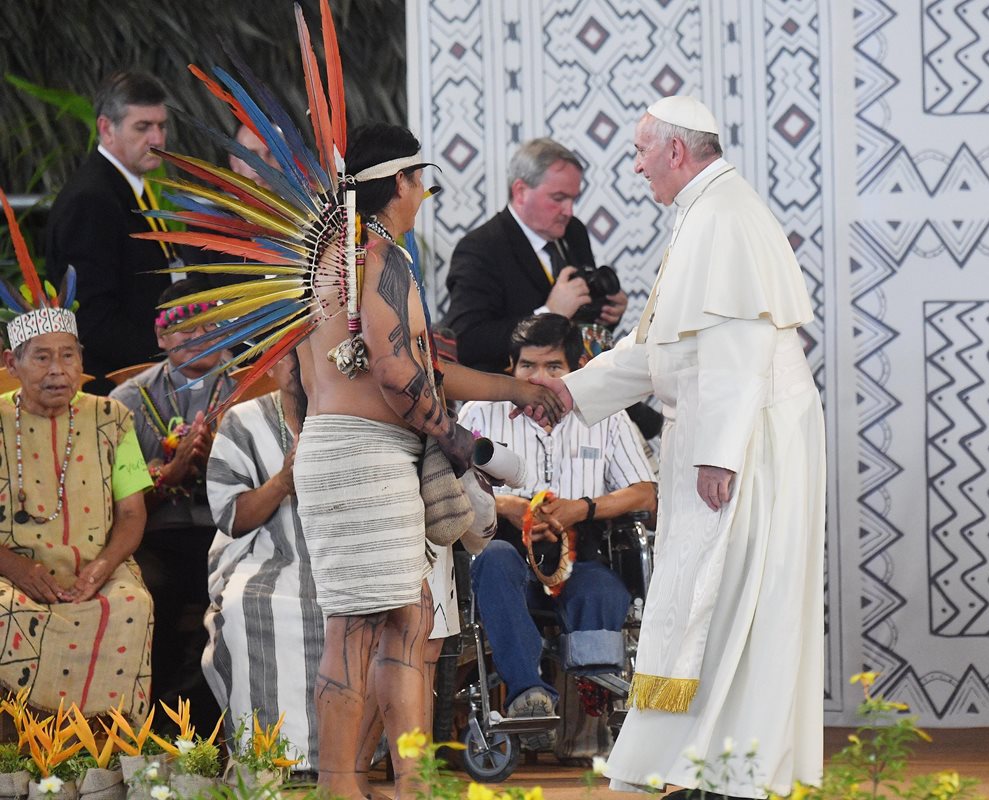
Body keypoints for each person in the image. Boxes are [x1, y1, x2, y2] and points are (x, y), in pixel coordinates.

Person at [532, 97, 826, 799]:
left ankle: (733, 770)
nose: (634, 167)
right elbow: (661, 347)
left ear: (675, 151)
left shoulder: (723, 215)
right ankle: (703, 763)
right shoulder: (704, 212)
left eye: (641, 153)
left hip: (748, 439)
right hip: (723, 431)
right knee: (710, 602)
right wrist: (571, 392)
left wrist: (720, 453)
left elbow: (737, 343)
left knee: (735, 600)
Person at [292, 122, 566, 800]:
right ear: (403, 183)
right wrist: (458, 444)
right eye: (422, 183)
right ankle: (339, 789)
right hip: (365, 457)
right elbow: (394, 370)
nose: (424, 195)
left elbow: (307, 380)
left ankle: (410, 781)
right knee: (356, 627)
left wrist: (516, 389)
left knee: (408, 617)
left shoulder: (334, 260)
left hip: (344, 450)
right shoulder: (379, 259)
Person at [458, 314, 657, 754]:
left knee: (603, 590)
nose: (539, 379)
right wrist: (504, 505)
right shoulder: (479, 414)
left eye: (554, 367)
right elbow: (453, 489)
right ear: (511, 366)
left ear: (579, 367)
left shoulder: (605, 416)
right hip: (508, 557)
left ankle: (595, 704)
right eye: (528, 366)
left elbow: (646, 492)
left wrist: (581, 509)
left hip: (580, 556)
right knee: (493, 562)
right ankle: (529, 694)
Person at [0, 190, 155, 721]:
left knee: (131, 605)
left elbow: (133, 513)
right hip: (7, 574)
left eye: (69, 356)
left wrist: (104, 567)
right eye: (42, 357)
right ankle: (21, 755)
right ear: (12, 363)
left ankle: (107, 758)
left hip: (97, 567)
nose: (58, 371)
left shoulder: (113, 418)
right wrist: (15, 567)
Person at [111, 278, 234, 735]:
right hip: (153, 536)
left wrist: (217, 461)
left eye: (213, 323)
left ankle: (192, 728)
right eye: (186, 325)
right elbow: (113, 500)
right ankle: (148, 722)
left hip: (225, 534)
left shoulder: (251, 390)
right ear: (161, 336)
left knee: (228, 597)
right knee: (147, 594)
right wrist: (169, 474)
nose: (201, 333)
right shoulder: (125, 402)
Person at [202, 350, 322, 769]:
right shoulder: (244, 421)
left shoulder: (355, 414)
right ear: (270, 364)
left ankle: (339, 760)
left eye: (308, 353)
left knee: (355, 613)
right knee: (244, 609)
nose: (299, 365)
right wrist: (283, 482)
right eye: (287, 356)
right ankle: (264, 760)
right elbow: (232, 518)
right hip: (264, 557)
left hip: (341, 560)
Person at [444, 137, 629, 374]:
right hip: (513, 396)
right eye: (559, 198)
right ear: (520, 191)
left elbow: (580, 323)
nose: (569, 211)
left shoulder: (574, 232)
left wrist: (606, 315)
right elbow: (468, 341)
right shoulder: (480, 247)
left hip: (577, 383)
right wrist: (548, 314)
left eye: (574, 199)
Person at [45, 70, 175, 393]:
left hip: (139, 379)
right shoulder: (92, 200)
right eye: (143, 127)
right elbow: (91, 319)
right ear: (106, 128)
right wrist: (174, 351)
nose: (157, 139)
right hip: (112, 391)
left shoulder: (124, 187)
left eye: (161, 126)